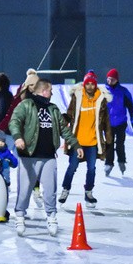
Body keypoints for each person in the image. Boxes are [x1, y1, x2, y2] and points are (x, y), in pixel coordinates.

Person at [9, 78, 82, 237]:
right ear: (43, 91)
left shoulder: (53, 109)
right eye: (50, 90)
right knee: (25, 190)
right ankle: (20, 215)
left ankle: (51, 216)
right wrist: (17, 137)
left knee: (50, 190)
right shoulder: (26, 105)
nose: (52, 93)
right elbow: (14, 121)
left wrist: (76, 145)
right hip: (28, 155)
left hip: (48, 155)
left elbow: (64, 129)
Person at [60, 72, 111, 208]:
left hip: (93, 142)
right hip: (77, 142)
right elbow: (70, 113)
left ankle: (88, 192)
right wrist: (63, 120)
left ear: (95, 84)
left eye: (92, 83)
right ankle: (65, 190)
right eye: (87, 83)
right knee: (72, 167)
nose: (89, 86)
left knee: (92, 169)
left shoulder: (101, 98)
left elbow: (105, 120)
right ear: (84, 84)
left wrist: (109, 138)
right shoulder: (77, 97)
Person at [103, 68, 133, 176]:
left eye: (112, 79)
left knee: (119, 144)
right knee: (109, 144)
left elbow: (131, 106)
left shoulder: (123, 91)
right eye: (108, 79)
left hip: (121, 122)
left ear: (117, 80)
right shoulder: (103, 91)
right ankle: (109, 163)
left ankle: (121, 161)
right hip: (108, 123)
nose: (110, 81)